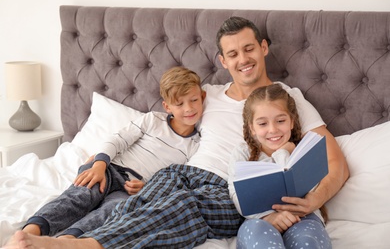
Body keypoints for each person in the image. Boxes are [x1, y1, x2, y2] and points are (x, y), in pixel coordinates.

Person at [6, 16, 348, 249]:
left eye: (248, 49)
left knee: (183, 204)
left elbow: (336, 163)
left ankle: (89, 246)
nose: (243, 59)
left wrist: (312, 202)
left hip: (229, 192)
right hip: (183, 173)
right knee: (136, 201)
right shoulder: (206, 96)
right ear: (222, 60)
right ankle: (68, 237)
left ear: (263, 47)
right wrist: (110, 161)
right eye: (232, 54)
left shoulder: (287, 99)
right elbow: (161, 125)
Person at [16, 66, 205, 239]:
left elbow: (176, 179)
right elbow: (117, 140)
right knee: (82, 195)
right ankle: (29, 233)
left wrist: (147, 187)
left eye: (194, 100)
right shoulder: (152, 120)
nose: (188, 108)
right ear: (167, 106)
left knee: (114, 211)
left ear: (202, 97)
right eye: (179, 104)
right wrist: (99, 165)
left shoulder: (195, 146)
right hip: (110, 168)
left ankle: (68, 240)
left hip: (132, 189)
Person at [228, 84, 331, 249]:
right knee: (257, 236)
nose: (273, 130)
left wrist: (282, 152)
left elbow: (311, 189)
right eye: (262, 124)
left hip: (303, 218)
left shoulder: (303, 150)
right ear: (252, 128)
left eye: (281, 121)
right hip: (258, 221)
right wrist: (269, 217)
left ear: (292, 121)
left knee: (308, 241)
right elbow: (237, 196)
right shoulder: (242, 153)